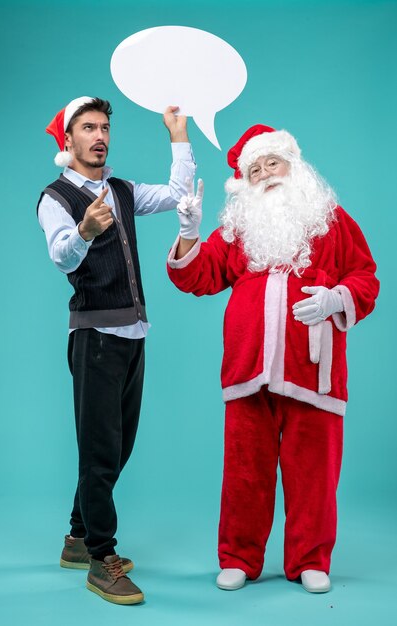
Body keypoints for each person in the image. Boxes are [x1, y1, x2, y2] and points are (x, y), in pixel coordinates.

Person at [167, 124, 379, 594]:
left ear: (292, 166)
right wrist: (188, 234)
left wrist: (336, 298)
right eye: (255, 169)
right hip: (248, 367)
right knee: (244, 472)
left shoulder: (332, 220)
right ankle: (240, 557)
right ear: (246, 182)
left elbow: (366, 276)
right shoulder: (238, 231)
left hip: (313, 371)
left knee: (314, 472)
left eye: (272, 164)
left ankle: (310, 559)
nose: (265, 174)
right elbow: (197, 276)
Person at [37, 96, 195, 604]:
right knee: (100, 450)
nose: (99, 136)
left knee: (118, 445)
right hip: (95, 337)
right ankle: (102, 559)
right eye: (87, 128)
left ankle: (78, 538)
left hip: (133, 333)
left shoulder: (122, 190)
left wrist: (177, 134)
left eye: (104, 127)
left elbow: (177, 192)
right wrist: (84, 231)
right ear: (68, 140)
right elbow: (62, 256)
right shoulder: (56, 197)